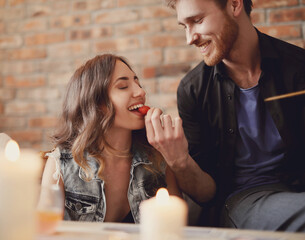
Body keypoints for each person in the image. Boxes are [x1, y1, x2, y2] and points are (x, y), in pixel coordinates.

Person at [146, 0, 305, 232]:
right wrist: (179, 161)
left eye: (197, 21)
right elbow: (206, 194)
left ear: (234, 4)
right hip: (245, 199)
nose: (190, 38)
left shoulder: (298, 67)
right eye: (184, 26)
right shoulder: (193, 90)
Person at [39, 54, 181, 223]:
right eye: (123, 86)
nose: (141, 92)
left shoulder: (158, 158)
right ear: (97, 103)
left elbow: (178, 228)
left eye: (137, 83)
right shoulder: (61, 163)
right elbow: (44, 231)